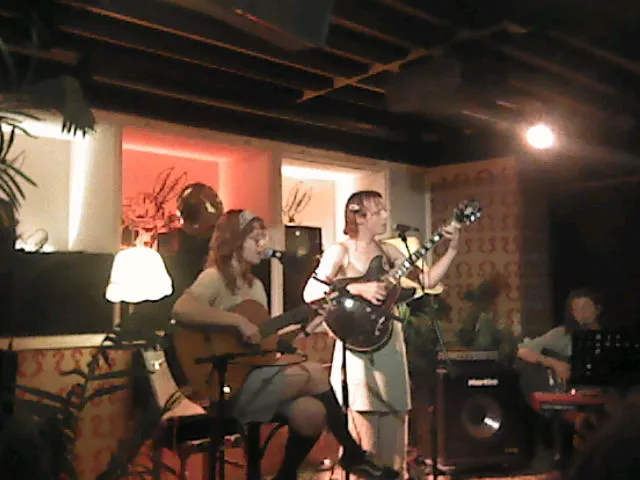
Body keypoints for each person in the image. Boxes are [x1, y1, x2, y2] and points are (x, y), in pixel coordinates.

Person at [171, 209, 400, 480]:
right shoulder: (214, 278)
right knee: (313, 371)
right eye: (255, 239)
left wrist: (306, 328)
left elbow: (263, 343)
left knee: (311, 413)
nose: (262, 245)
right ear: (235, 241)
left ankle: (286, 475)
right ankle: (352, 452)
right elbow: (181, 309)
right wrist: (236, 321)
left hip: (255, 375)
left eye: (263, 239)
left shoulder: (255, 286)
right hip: (227, 386)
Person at [302, 190, 461, 477]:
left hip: (390, 343)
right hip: (358, 348)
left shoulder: (390, 251)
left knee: (395, 424)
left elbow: (427, 281)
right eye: (378, 211)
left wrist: (451, 249)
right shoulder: (341, 251)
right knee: (364, 433)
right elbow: (311, 292)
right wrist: (356, 288)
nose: (386, 216)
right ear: (359, 217)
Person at [517, 287, 603, 386]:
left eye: (585, 308)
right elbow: (523, 351)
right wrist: (553, 363)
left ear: (598, 309)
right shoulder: (563, 334)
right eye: (576, 310)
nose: (580, 314)